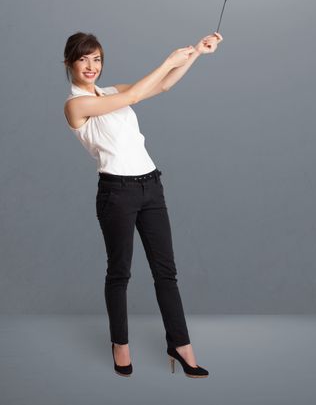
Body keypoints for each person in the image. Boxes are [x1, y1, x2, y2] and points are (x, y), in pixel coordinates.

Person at [63, 30, 223, 377]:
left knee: (166, 272)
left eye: (97, 59)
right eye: (84, 59)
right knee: (119, 273)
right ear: (70, 63)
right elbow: (137, 93)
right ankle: (120, 345)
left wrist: (196, 52)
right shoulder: (76, 105)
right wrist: (167, 59)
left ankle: (180, 345)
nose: (92, 66)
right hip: (116, 192)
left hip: (151, 186)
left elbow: (161, 87)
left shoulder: (113, 91)